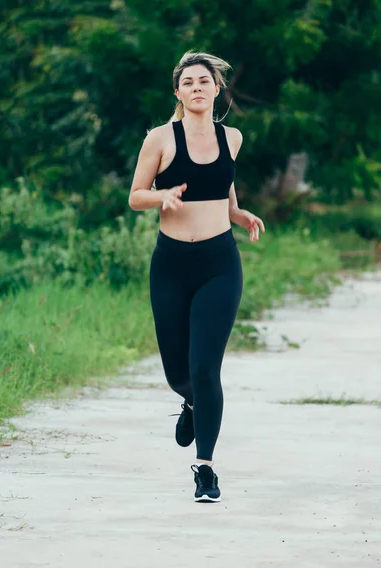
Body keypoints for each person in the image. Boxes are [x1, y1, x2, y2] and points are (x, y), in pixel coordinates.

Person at [128, 51, 265, 503]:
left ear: (217, 89)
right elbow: (135, 196)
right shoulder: (160, 139)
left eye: (204, 81)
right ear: (178, 93)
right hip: (171, 265)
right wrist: (161, 195)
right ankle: (188, 402)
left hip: (219, 263)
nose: (197, 88)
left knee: (206, 367)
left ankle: (205, 468)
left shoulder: (234, 138)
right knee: (177, 371)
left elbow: (222, 185)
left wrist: (237, 211)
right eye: (188, 83)